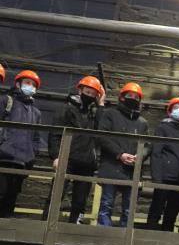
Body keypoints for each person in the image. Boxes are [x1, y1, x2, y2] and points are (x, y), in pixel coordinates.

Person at [48, 76, 105, 223]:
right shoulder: (66, 108)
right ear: (80, 90)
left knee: (80, 202)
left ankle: (74, 227)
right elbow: (55, 134)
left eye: (93, 94)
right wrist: (56, 156)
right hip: (66, 159)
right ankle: (45, 226)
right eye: (87, 92)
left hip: (87, 162)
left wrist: (101, 104)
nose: (90, 95)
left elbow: (102, 129)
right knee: (56, 196)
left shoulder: (94, 113)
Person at [97, 82, 149, 227]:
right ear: (122, 97)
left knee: (129, 209)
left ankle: (124, 236)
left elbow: (147, 145)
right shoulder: (110, 114)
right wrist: (120, 154)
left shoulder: (142, 123)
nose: (133, 99)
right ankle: (103, 235)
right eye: (130, 95)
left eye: (136, 97)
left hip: (132, 171)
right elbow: (102, 137)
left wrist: (140, 156)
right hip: (111, 166)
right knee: (106, 205)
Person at [0, 70, 42, 217]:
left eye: (33, 85)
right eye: (27, 83)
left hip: (22, 161)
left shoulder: (36, 112)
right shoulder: (6, 101)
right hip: (3, 158)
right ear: (18, 84)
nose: (30, 87)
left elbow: (36, 137)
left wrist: (32, 155)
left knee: (11, 198)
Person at [146, 97, 179, 231]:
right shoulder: (163, 128)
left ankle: (167, 234)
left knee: (173, 210)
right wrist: (157, 177)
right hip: (164, 176)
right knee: (157, 206)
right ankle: (149, 233)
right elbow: (156, 153)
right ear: (170, 111)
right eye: (176, 108)